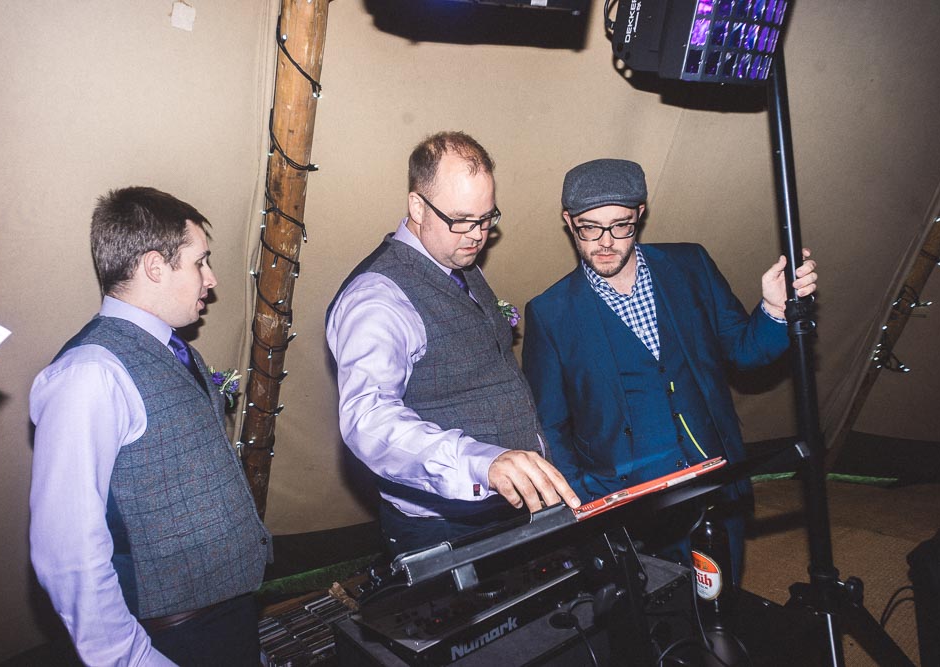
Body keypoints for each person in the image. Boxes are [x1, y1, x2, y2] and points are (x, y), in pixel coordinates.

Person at [522, 159, 818, 581]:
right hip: (626, 506)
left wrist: (773, 309)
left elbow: (745, 353)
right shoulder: (549, 312)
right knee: (654, 612)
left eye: (620, 226)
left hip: (715, 482)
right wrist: (583, 508)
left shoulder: (690, 265)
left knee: (724, 598)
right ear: (569, 222)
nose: (605, 242)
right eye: (589, 228)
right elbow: (550, 424)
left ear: (640, 214)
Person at [30, 187, 272, 666]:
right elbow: (67, 552)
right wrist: (132, 659)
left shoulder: (176, 351)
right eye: (200, 262)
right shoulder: (89, 374)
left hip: (224, 622)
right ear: (155, 267)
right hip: (171, 639)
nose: (211, 279)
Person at [326, 131, 580, 557]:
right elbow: (367, 420)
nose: (477, 235)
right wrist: (481, 463)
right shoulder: (376, 299)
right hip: (443, 528)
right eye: (461, 220)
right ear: (417, 206)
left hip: (501, 509)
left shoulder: (454, 259)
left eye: (487, 218)